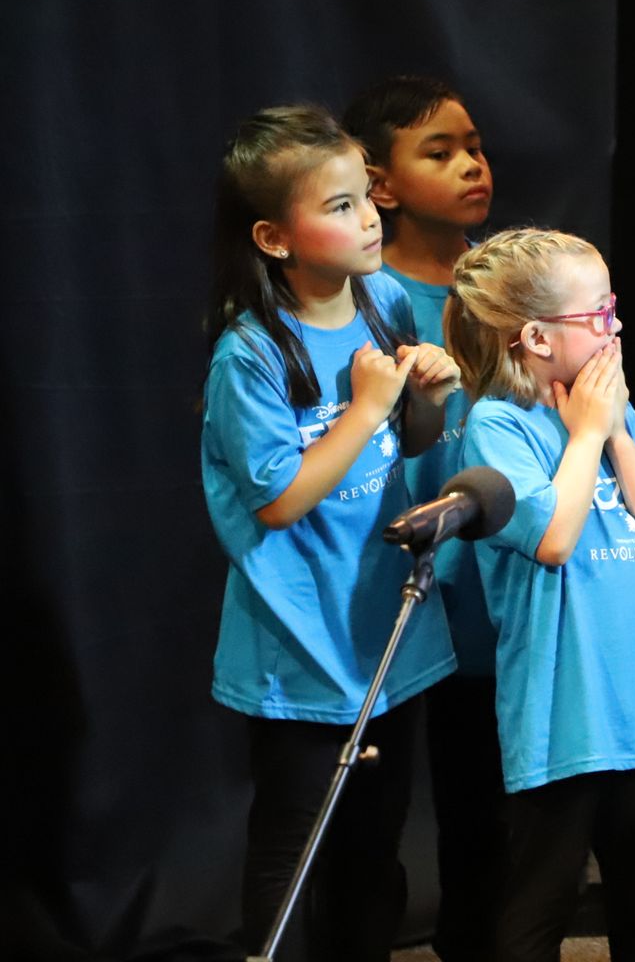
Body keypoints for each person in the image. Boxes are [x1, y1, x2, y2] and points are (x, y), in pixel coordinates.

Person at [200, 104, 461, 961]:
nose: (370, 219)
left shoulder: (385, 299)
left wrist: (426, 399)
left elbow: (409, 443)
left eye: (366, 198)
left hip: (385, 636)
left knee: (372, 855)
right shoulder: (251, 353)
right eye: (340, 206)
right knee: (295, 855)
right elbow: (278, 499)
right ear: (275, 238)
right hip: (302, 650)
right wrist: (368, 407)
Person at [444, 228, 635, 962]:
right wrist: (585, 437)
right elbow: (552, 537)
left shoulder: (616, 415)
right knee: (540, 903)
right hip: (561, 716)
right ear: (537, 339)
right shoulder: (498, 425)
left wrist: (615, 435)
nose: (615, 326)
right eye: (599, 313)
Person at [343, 73, 502, 962]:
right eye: (439, 153)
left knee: (490, 805)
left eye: (474, 146)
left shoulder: (514, 284)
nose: (471, 165)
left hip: (499, 582)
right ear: (381, 184)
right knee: (378, 807)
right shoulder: (367, 297)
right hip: (405, 585)